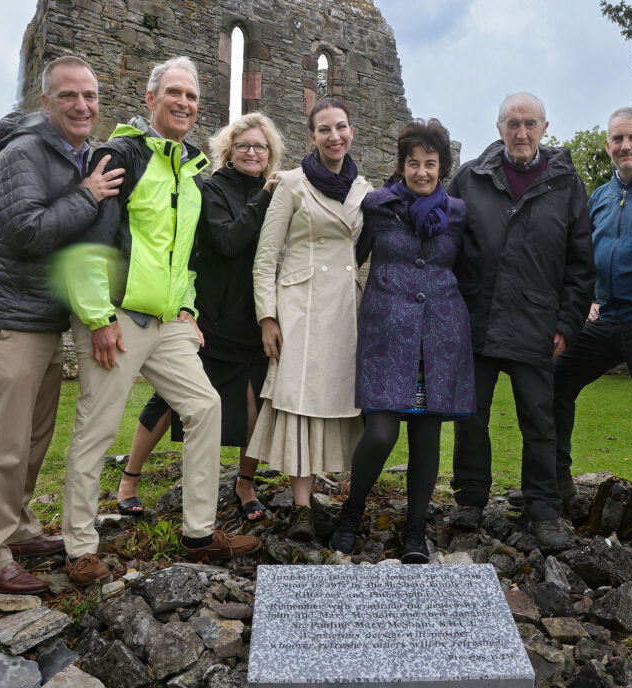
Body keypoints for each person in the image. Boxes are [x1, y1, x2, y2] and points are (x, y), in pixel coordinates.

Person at [58, 56, 261, 586]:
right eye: (174, 93)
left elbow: (186, 254)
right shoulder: (121, 154)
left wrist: (189, 308)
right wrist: (98, 317)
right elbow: (88, 242)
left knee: (204, 405)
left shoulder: (193, 169)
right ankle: (79, 546)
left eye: (192, 97)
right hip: (118, 316)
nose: (184, 103)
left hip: (168, 319)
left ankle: (198, 534)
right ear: (151, 99)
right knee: (97, 427)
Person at [0, 56, 124, 595]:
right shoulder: (21, 154)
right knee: (1, 444)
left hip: (43, 319)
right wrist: (89, 195)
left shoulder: (73, 153)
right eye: (69, 96)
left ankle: (21, 529)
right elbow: (29, 232)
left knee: (32, 439)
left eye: (90, 95)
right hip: (10, 320)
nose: (83, 106)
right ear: (45, 101)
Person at [116, 112, 284, 522]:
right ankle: (129, 479)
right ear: (228, 150)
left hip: (254, 312)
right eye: (243, 145)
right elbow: (226, 241)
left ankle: (245, 484)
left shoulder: (279, 193)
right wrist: (264, 197)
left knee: (255, 400)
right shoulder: (209, 188)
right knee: (173, 399)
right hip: (213, 310)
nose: (251, 152)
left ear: (270, 153)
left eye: (260, 147)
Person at [446, 92, 594, 552]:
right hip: (477, 318)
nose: (522, 133)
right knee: (471, 416)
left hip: (537, 323)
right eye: (513, 124)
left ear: (545, 129)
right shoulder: (469, 179)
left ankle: (543, 509)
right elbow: (444, 249)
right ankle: (470, 499)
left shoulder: (566, 184)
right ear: (499, 129)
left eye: (530, 124)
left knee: (539, 419)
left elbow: (580, 262)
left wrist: (567, 323)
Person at [329, 119, 473, 563]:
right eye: (414, 163)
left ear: (442, 167)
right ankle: (351, 513)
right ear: (403, 165)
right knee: (381, 433)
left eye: (430, 164)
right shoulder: (377, 206)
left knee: (427, 438)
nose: (422, 172)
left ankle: (415, 530)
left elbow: (467, 269)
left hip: (439, 334)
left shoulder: (458, 214)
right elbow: (348, 259)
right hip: (386, 333)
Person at [551, 106, 632, 557]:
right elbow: (585, 256)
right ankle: (555, 484)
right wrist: (584, 300)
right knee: (553, 377)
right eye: (617, 139)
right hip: (605, 319)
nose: (624, 146)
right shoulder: (602, 196)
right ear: (608, 146)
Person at [248, 97, 372, 541]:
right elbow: (265, 257)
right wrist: (267, 316)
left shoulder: (365, 192)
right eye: (325, 129)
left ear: (351, 132)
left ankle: (338, 498)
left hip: (345, 310)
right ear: (312, 136)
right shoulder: (293, 185)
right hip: (299, 308)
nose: (334, 136)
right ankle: (301, 509)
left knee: (341, 403)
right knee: (300, 404)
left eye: (341, 127)